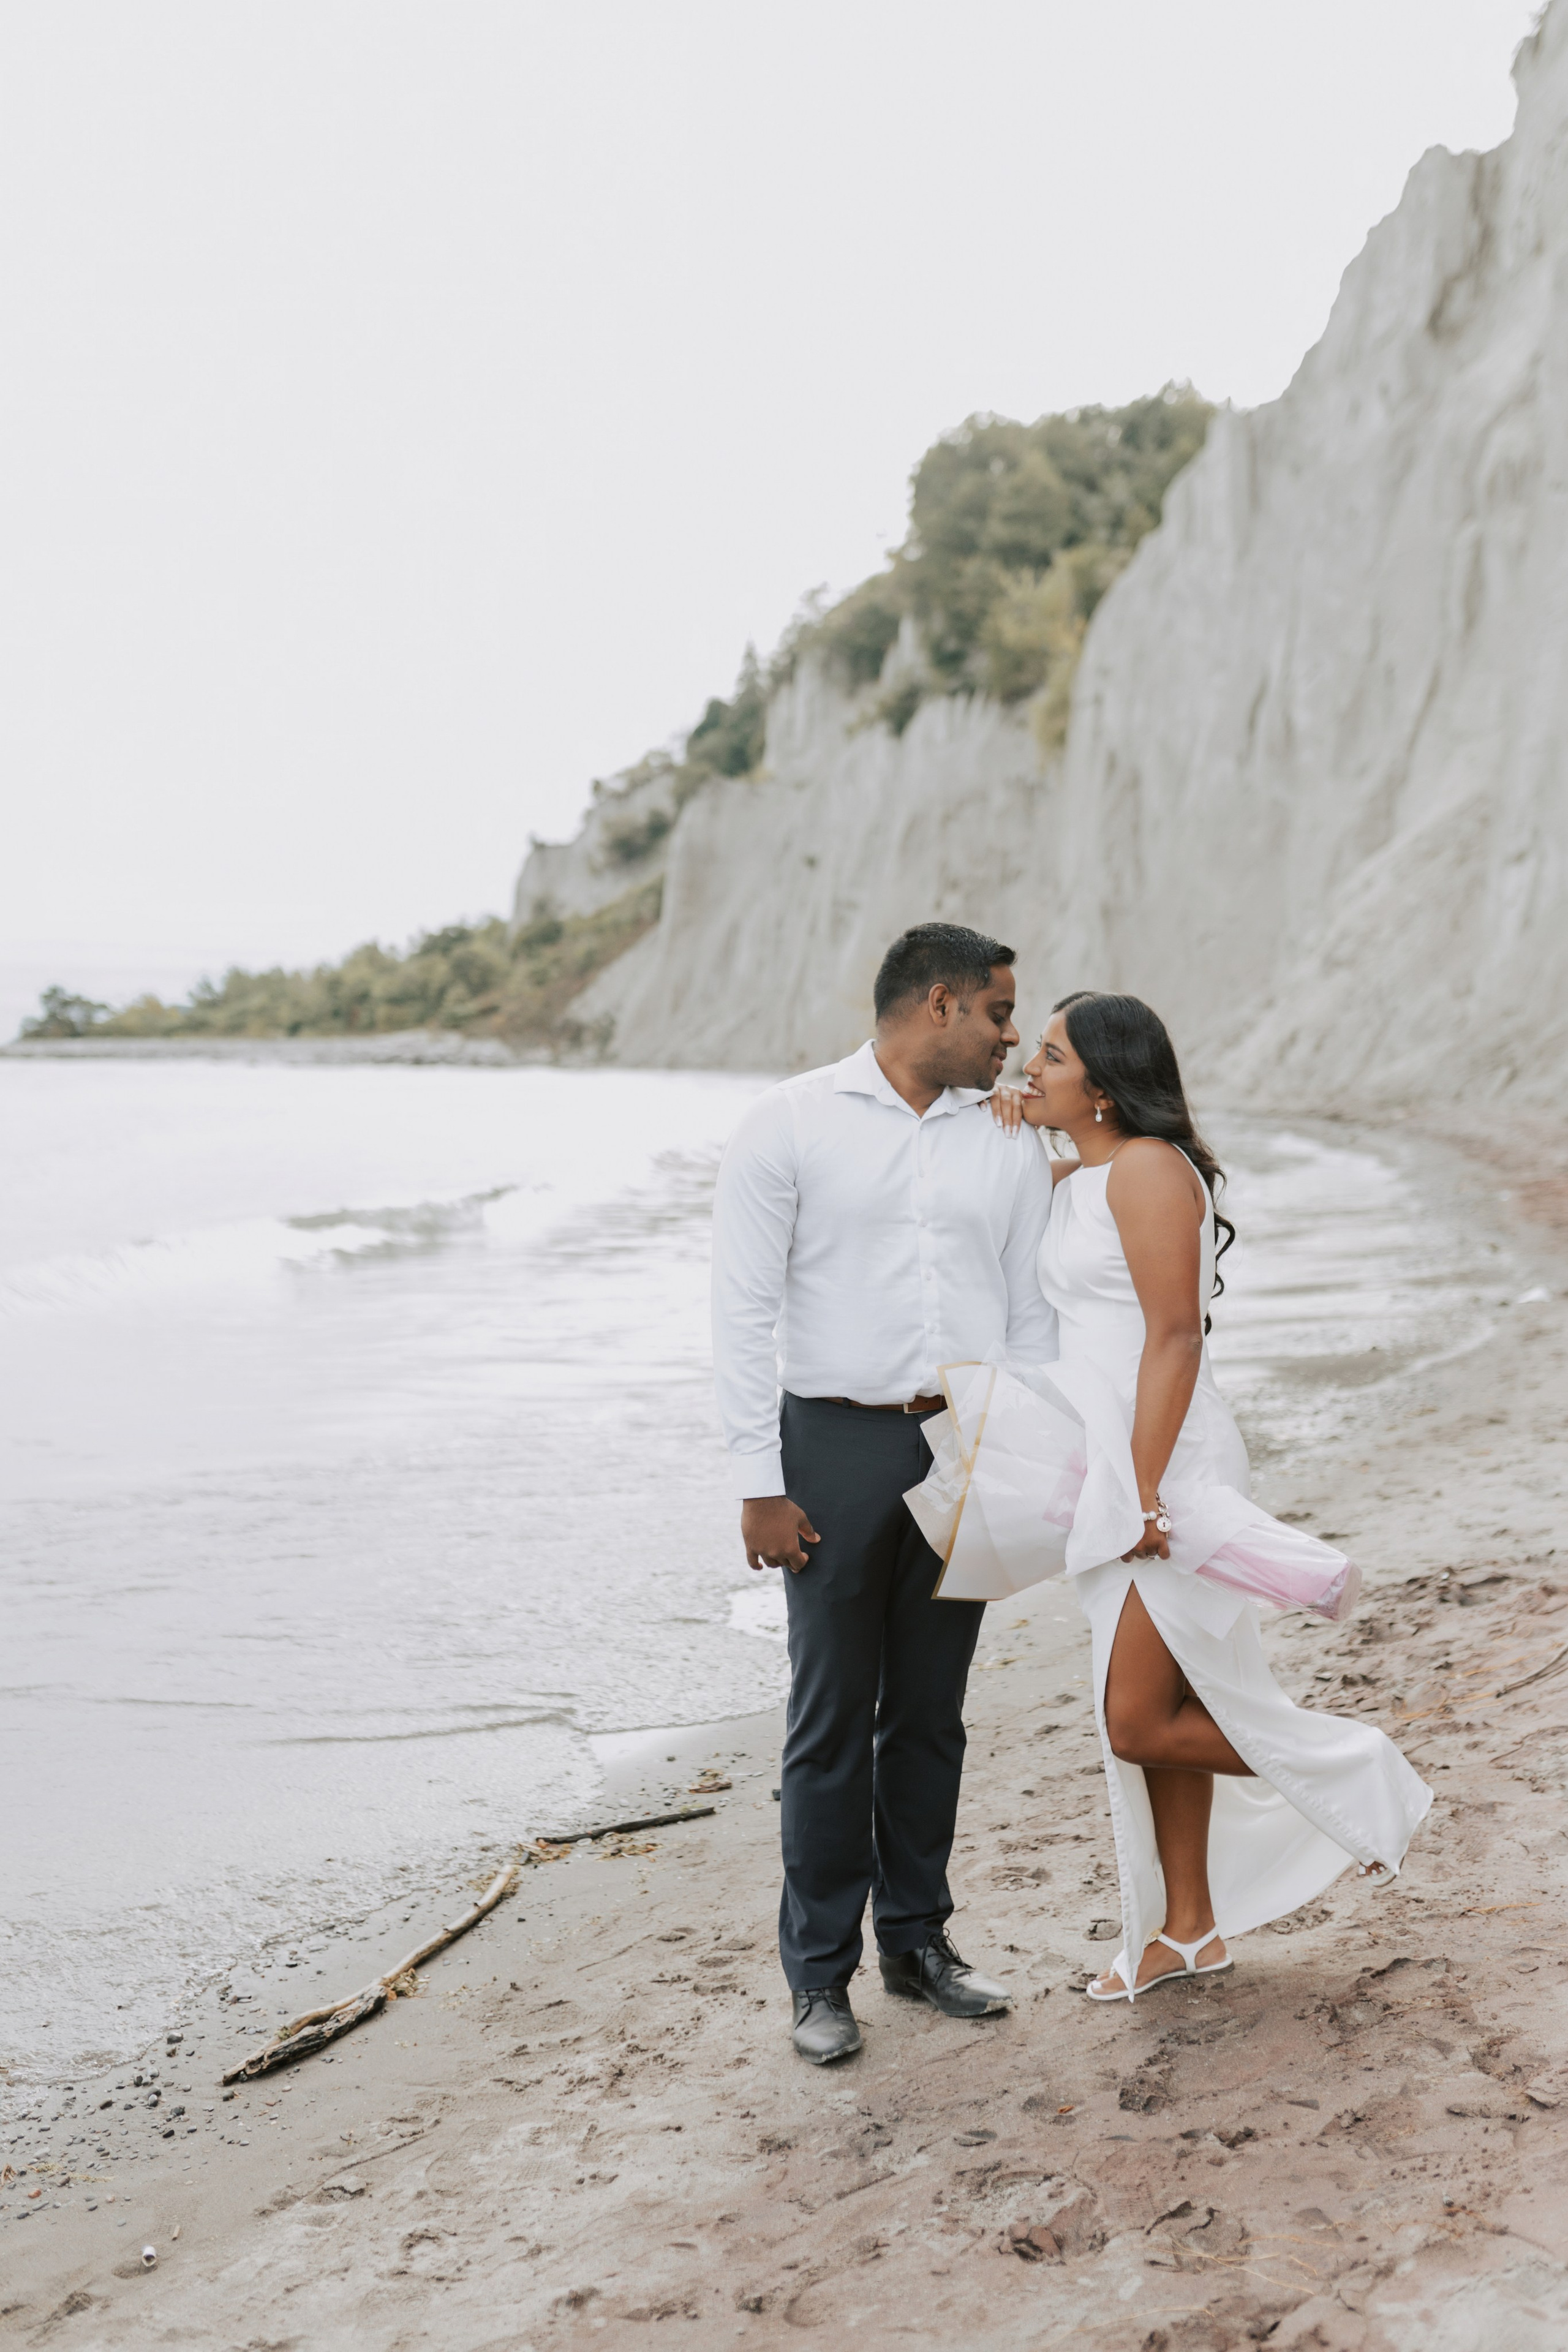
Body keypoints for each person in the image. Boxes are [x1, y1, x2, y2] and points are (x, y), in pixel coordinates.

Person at [990, 991, 1430, 2000]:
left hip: (1167, 1465)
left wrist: (1145, 1491)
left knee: (1135, 1720)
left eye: (1049, 1057)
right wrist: (1007, 1126)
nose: (1031, 1069)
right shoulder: (1084, 1176)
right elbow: (986, 1197)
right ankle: (1187, 1931)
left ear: (1101, 1086)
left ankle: (1351, 1768)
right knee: (1173, 1691)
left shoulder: (1146, 1170)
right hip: (1112, 1466)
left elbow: (1176, 1336)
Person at [710, 922, 1058, 2063]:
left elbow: (1029, 1316)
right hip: (831, 1449)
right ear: (943, 1004)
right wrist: (759, 1485)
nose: (1014, 1039)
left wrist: (1029, 1454)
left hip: (962, 1438)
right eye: (1003, 1015)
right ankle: (819, 1979)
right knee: (826, 1726)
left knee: (929, 1716)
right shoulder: (791, 1123)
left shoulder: (1003, 1141)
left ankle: (917, 1944)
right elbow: (741, 1315)